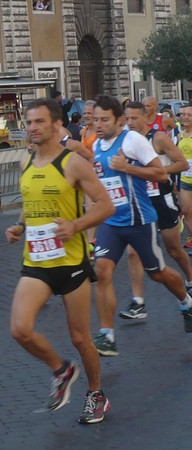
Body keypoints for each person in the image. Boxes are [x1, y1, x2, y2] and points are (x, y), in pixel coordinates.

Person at [6, 98, 114, 424]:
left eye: (39, 122)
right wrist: (20, 225)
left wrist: (76, 226)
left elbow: (105, 205)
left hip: (71, 263)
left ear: (56, 125)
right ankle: (61, 369)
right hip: (36, 261)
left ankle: (96, 394)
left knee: (80, 337)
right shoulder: (26, 162)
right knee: (20, 329)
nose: (33, 128)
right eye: (29, 122)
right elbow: (31, 200)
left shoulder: (73, 163)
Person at [91, 95, 192, 356]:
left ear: (119, 120)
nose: (98, 124)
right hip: (112, 222)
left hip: (139, 220)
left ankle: (185, 301)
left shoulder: (132, 141)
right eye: (95, 119)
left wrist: (128, 168)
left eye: (104, 119)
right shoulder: (96, 146)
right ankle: (107, 335)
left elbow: (160, 174)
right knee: (102, 271)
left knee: (157, 273)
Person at [122, 102, 191, 319]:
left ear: (146, 117)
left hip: (161, 200)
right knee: (133, 252)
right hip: (138, 203)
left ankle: (189, 281)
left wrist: (158, 170)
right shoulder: (124, 141)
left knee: (173, 250)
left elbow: (182, 164)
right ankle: (138, 302)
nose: (130, 123)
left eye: (134, 118)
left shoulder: (158, 137)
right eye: (127, 119)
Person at [177, 106, 192, 249]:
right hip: (185, 179)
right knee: (187, 210)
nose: (185, 117)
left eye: (189, 115)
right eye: (183, 115)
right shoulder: (180, 135)